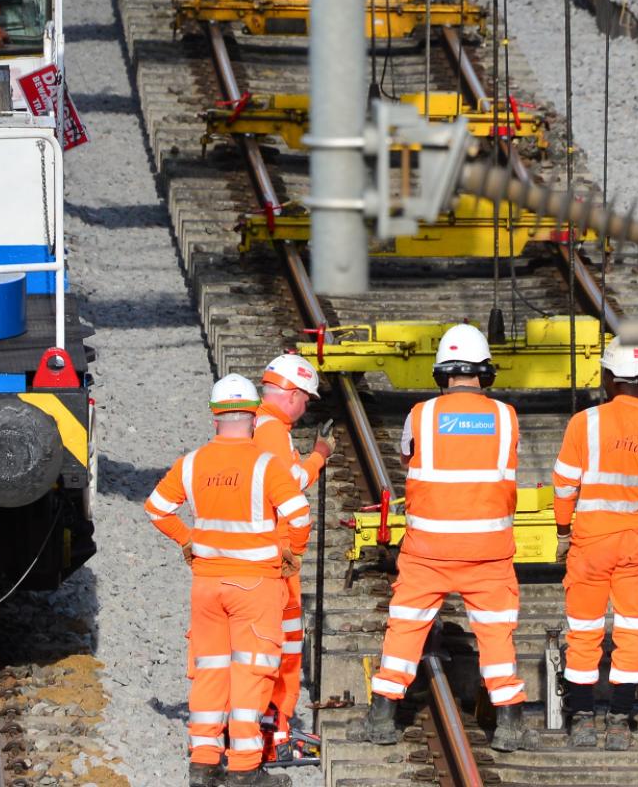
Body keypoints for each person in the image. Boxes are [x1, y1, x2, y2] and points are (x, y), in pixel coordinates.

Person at [351, 323, 535, 752]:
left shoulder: (421, 415)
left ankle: (381, 717)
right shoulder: (506, 418)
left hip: (428, 549)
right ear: (484, 372)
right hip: (488, 552)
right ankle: (509, 725)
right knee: (495, 634)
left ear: (441, 374)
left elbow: (406, 457)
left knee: (405, 629)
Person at [146, 375, 310, 787]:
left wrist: (189, 541)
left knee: (211, 670)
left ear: (215, 416)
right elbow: (299, 515)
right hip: (254, 586)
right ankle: (243, 768)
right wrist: (293, 553)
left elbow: (157, 508)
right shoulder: (266, 465)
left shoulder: (193, 462)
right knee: (252, 672)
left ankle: (202, 763)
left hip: (207, 586)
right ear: (255, 415)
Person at [551, 339, 638, 750]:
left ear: (609, 378)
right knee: (630, 631)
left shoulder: (584, 424)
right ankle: (621, 721)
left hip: (591, 542)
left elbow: (564, 485)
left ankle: (584, 719)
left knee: (585, 631)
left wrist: (561, 532)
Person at [254, 353, 334, 760]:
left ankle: (270, 730)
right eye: (306, 398)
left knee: (275, 648)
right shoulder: (270, 431)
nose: (306, 407)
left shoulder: (264, 427)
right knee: (284, 649)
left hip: (267, 554)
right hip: (279, 557)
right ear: (290, 394)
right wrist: (319, 454)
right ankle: (274, 735)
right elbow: (291, 487)